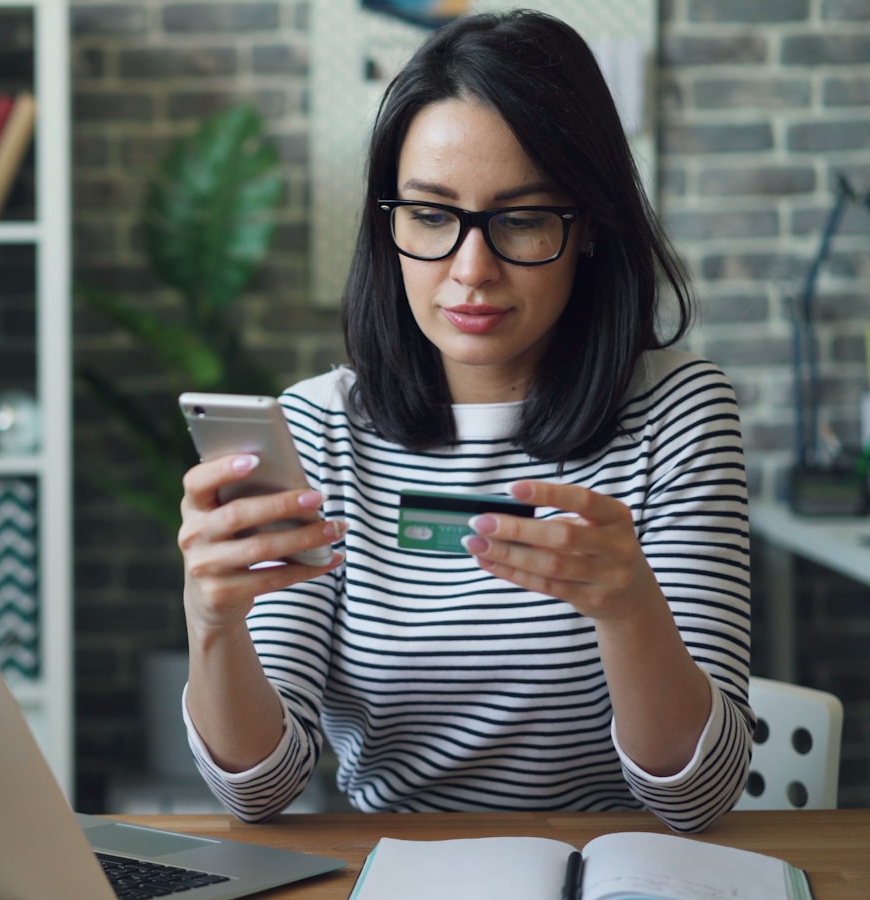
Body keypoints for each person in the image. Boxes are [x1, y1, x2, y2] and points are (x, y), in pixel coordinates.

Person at [176, 9, 751, 834]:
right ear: (389, 223)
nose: (471, 271)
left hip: (617, 871)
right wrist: (213, 622)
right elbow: (256, 794)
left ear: (586, 226)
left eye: (520, 219)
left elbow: (700, 797)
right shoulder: (316, 430)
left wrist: (630, 612)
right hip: (389, 872)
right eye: (433, 217)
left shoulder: (680, 413)